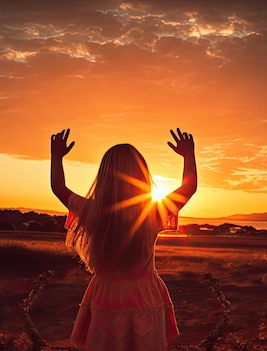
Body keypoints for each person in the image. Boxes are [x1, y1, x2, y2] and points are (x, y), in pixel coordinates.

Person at [50, 128, 197, 351]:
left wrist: (56, 157)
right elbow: (189, 187)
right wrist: (188, 155)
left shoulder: (92, 211)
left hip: (105, 295)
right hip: (144, 296)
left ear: (104, 177)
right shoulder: (152, 212)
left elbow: (58, 188)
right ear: (141, 177)